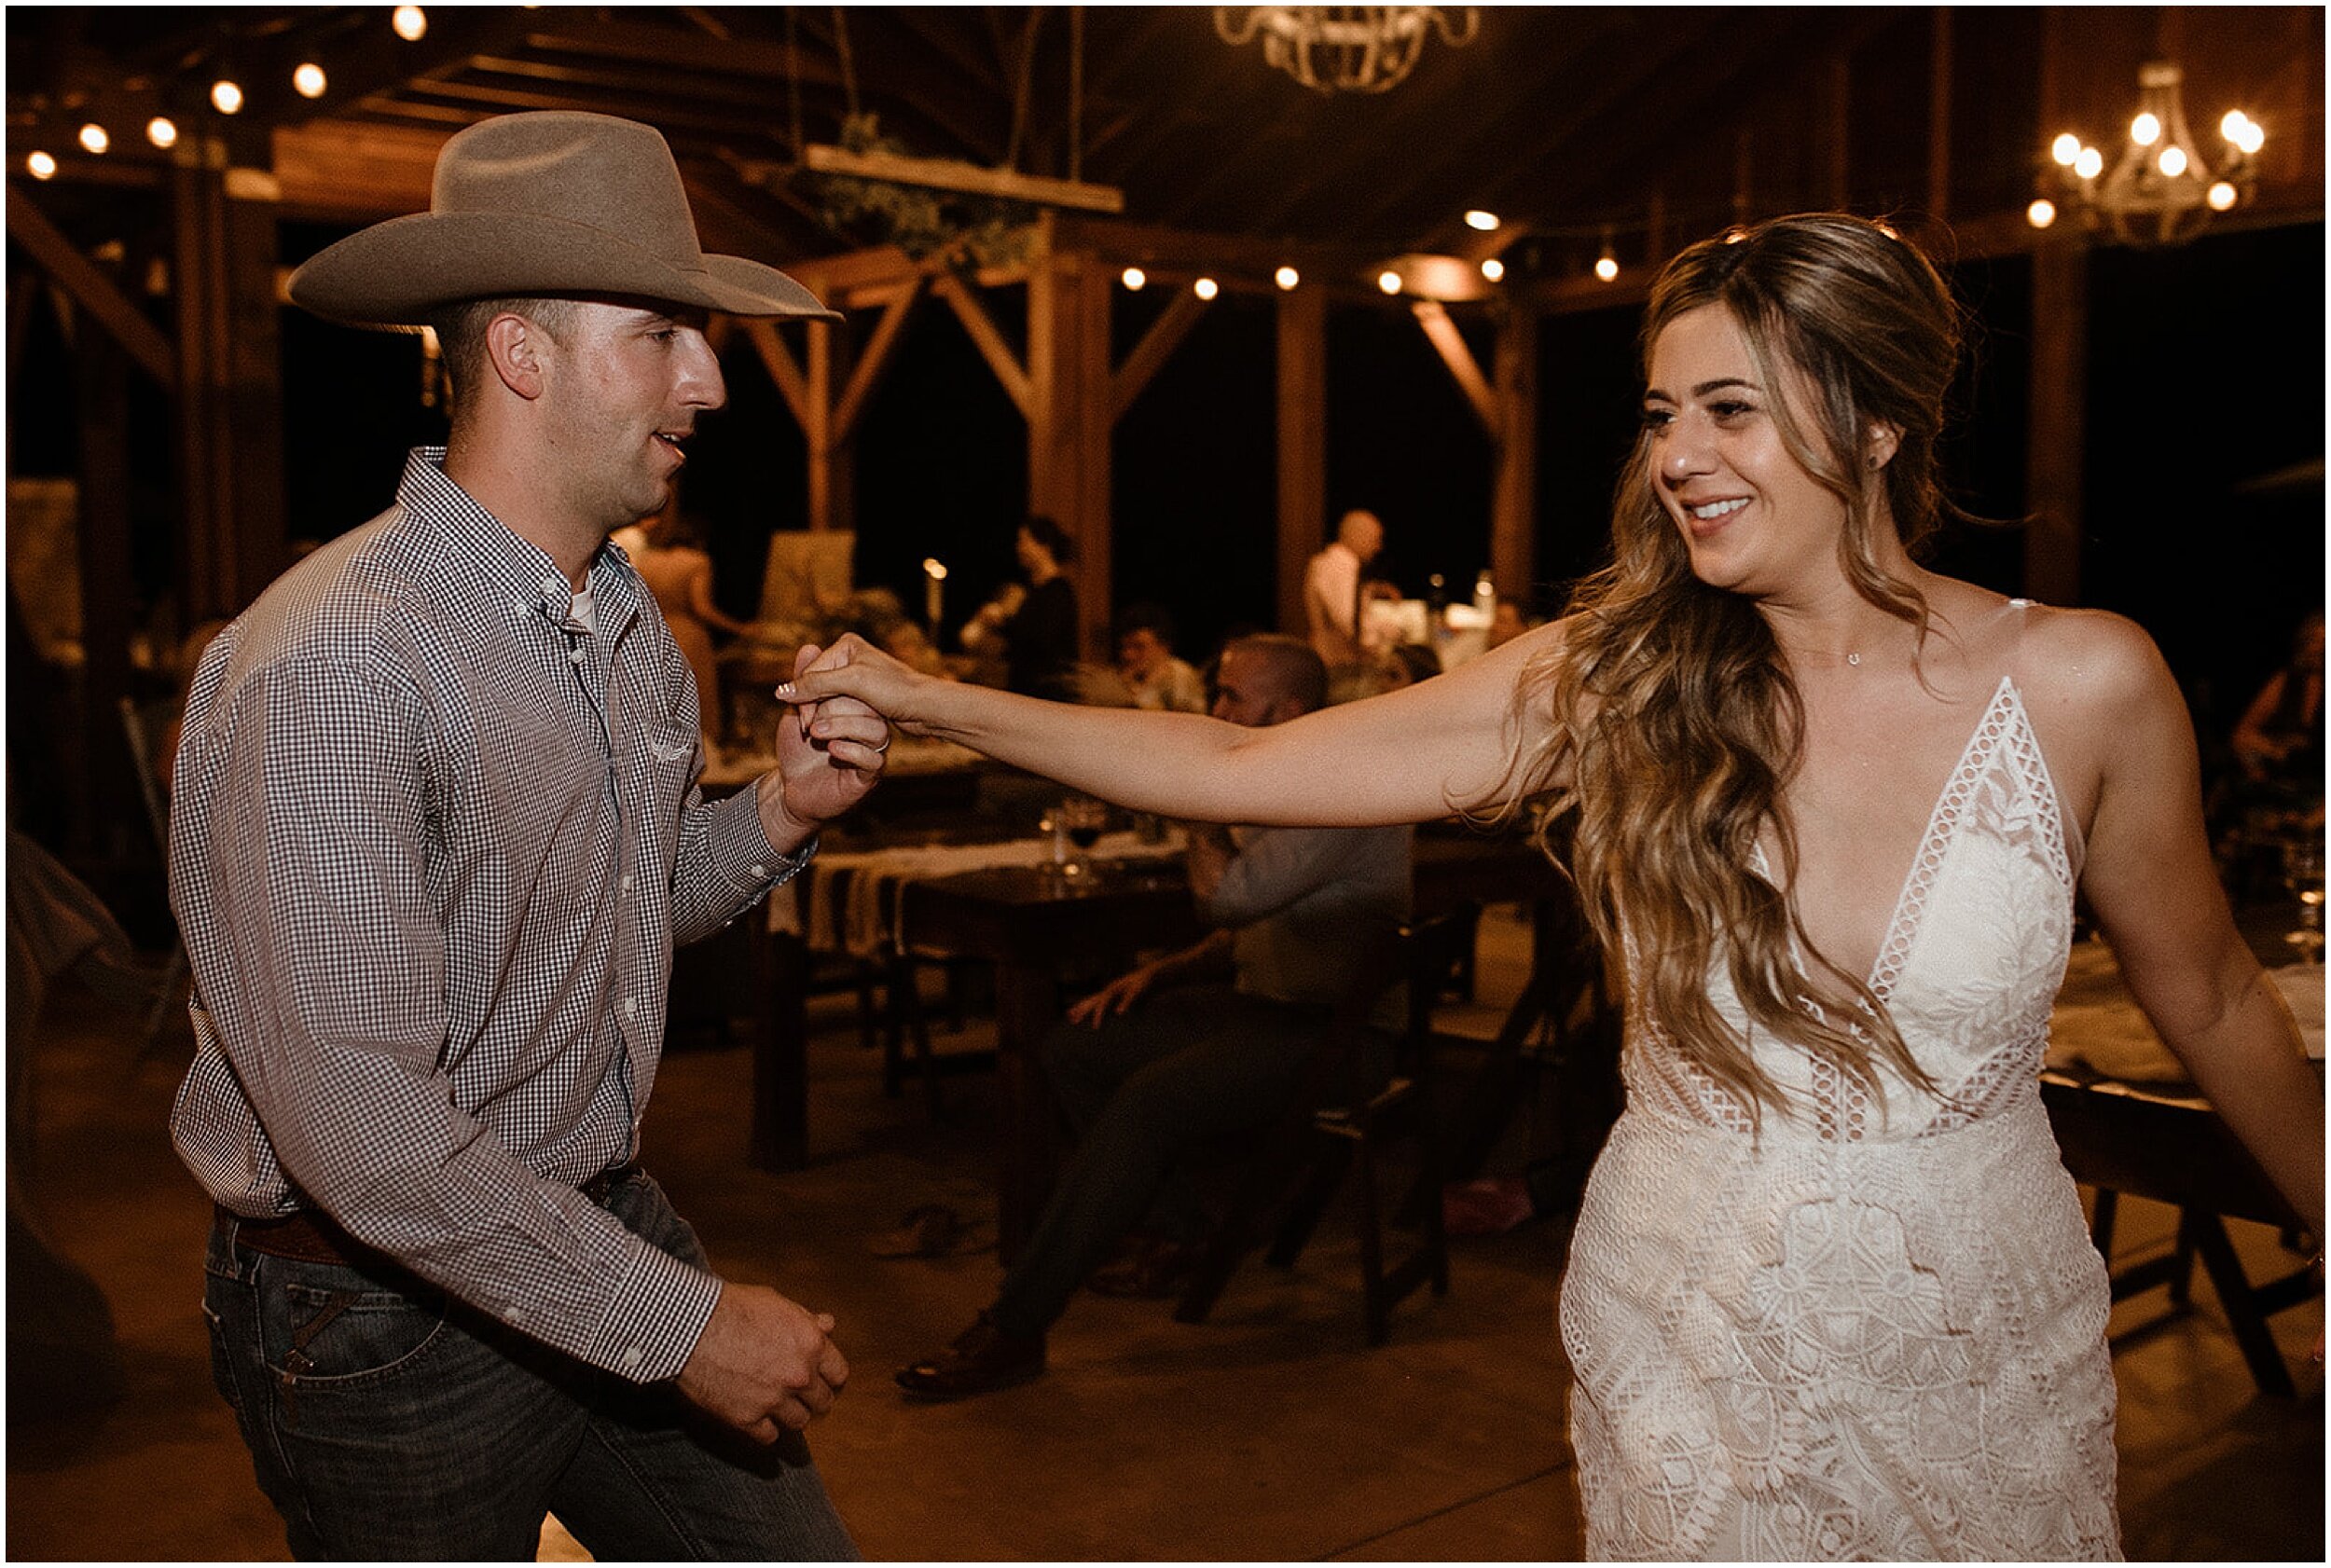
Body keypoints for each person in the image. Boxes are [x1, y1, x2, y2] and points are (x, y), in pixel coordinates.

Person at [780, 213, 2324, 1559]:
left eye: (1730, 407)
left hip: (1983, 1320)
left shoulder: (2086, 683)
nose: (1677, 457)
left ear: (1874, 422)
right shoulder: (1616, 682)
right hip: (1697, 1319)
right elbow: (1243, 769)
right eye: (1663, 414)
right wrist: (938, 702)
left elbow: (2209, 995)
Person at [168, 111, 890, 1560]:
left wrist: (777, 811)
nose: (712, 381)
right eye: (665, 333)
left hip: (586, 1215)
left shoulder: (622, 629)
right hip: (379, 1315)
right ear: (520, 354)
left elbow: (611, 907)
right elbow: (366, 1132)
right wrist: (677, 1324)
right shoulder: (335, 664)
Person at [891, 635, 1411, 1399]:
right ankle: (1191, 1235)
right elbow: (1254, 927)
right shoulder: (1291, 774)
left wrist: (1194, 802)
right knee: (1076, 1046)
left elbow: (1228, 897)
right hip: (1268, 1007)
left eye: (1233, 695)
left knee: (1150, 1101)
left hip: (1342, 1035)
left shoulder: (1341, 789)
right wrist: (1162, 972)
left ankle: (1015, 1325)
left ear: (1291, 710)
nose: (1217, 709)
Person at [613, 509, 754, 745]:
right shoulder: (697, 562)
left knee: (660, 701)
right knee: (696, 702)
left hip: (654, 634)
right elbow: (702, 608)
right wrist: (740, 628)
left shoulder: (648, 562)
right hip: (689, 635)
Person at [961, 515, 1081, 700]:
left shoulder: (1057, 592)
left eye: (1024, 542)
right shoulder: (1034, 592)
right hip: (1029, 691)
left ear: (1044, 546)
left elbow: (1039, 639)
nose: (1019, 548)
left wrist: (1003, 623)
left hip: (1047, 696)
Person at [1303, 508, 1386, 669]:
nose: (1378, 547)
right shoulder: (1340, 566)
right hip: (1342, 666)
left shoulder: (1330, 564)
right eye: (1375, 539)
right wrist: (1383, 647)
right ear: (1357, 535)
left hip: (1337, 662)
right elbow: (1350, 624)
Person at [1115, 604, 1208, 713]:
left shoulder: (1180, 675)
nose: (1128, 655)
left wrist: (1149, 687)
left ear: (1164, 647)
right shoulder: (1130, 677)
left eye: (1139, 647)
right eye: (1125, 647)